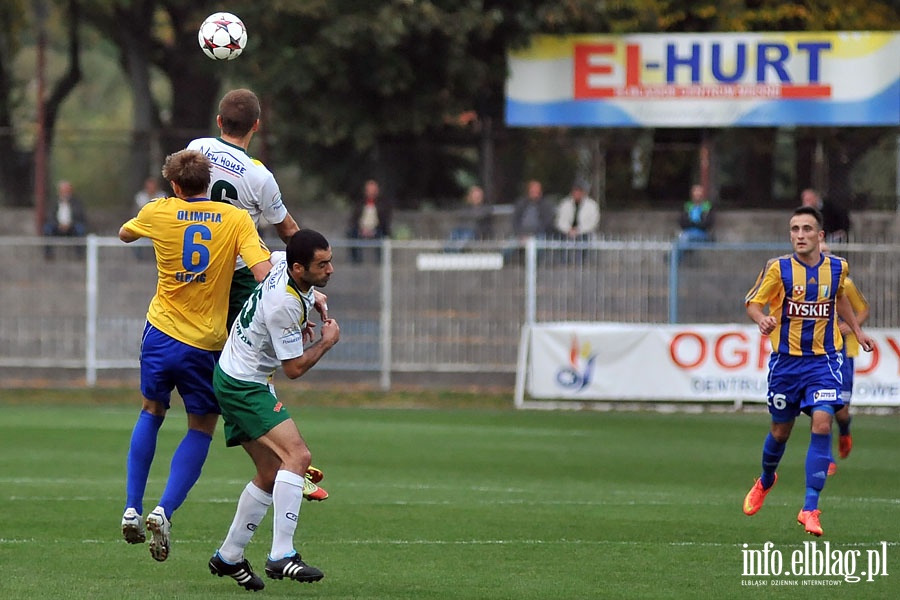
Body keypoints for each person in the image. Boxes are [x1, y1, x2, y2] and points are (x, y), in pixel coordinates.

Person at [117, 149, 275, 562]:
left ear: (174, 185)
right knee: (201, 426)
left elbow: (125, 234)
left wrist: (155, 223)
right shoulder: (235, 218)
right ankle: (163, 511)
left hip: (160, 332)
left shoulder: (158, 210)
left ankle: (132, 507)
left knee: (151, 409)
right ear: (209, 182)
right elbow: (260, 271)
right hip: (205, 341)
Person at [208, 229, 339, 591]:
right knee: (297, 456)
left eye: (330, 260)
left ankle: (229, 555)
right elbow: (294, 369)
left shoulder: (281, 263)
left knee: (270, 472)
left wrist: (312, 300)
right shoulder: (284, 304)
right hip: (244, 386)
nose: (330, 269)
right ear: (299, 268)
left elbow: (278, 284)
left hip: (235, 373)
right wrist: (326, 343)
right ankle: (282, 554)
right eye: (322, 264)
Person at [742, 205, 874, 537]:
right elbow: (753, 303)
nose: (800, 235)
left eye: (806, 229)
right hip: (786, 363)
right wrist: (763, 320)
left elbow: (840, 298)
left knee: (823, 420)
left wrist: (857, 332)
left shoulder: (837, 268)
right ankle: (767, 479)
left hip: (823, 360)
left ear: (820, 235)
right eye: (795, 229)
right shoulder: (778, 268)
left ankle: (810, 507)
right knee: (780, 432)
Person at [187, 89, 301, 329]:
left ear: (219, 121)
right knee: (241, 349)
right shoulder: (260, 176)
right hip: (238, 271)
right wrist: (309, 261)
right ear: (256, 125)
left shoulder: (196, 148)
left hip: (196, 262)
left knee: (196, 338)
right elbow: (288, 230)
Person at [819, 243, 870, 476]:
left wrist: (851, 327)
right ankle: (826, 458)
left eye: (827, 251)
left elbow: (863, 310)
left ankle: (845, 429)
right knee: (822, 406)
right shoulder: (808, 284)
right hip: (819, 353)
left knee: (841, 411)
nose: (824, 255)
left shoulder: (844, 284)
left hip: (844, 353)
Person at [347, 179, 392, 263]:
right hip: (361, 229)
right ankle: (356, 260)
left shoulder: (383, 204)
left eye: (373, 190)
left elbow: (385, 220)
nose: (371, 193)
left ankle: (380, 261)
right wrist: (362, 229)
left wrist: (373, 230)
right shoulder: (360, 203)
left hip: (377, 229)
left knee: (383, 235)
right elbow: (354, 219)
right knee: (351, 233)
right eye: (369, 190)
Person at [43, 180, 88, 259]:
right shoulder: (54, 202)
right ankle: (48, 254)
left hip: (72, 226)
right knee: (47, 228)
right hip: (57, 226)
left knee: (80, 229)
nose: (65, 193)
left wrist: (69, 224)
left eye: (67, 190)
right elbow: (50, 216)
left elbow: (80, 216)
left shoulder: (76, 202)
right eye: (63, 191)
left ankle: (80, 254)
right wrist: (58, 224)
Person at [446, 185, 493, 251]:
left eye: (478, 195)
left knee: (464, 239)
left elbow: (479, 216)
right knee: (454, 235)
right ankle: (448, 253)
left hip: (475, 232)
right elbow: (461, 215)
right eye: (475, 195)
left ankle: (456, 252)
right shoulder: (466, 206)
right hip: (461, 229)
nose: (476, 197)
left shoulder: (485, 208)